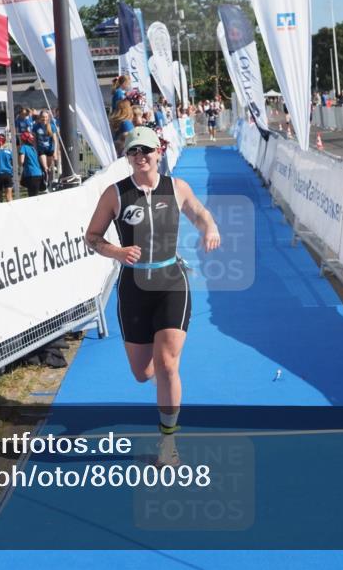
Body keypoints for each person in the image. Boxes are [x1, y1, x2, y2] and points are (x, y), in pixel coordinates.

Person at [85, 127, 221, 465]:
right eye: (134, 152)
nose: (140, 156)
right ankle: (161, 397)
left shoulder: (176, 188)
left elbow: (200, 213)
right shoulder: (114, 194)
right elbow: (92, 236)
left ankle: (168, 443)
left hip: (172, 281)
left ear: (159, 152)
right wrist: (115, 251)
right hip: (133, 288)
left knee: (167, 365)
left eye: (146, 150)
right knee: (142, 372)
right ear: (127, 157)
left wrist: (210, 228)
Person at [33, 109, 59, 189]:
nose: (44, 119)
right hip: (41, 150)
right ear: (40, 117)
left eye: (46, 117)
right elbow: (34, 140)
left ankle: (50, 183)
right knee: (45, 167)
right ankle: (45, 182)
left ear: (48, 117)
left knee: (50, 168)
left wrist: (55, 152)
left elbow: (55, 140)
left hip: (50, 150)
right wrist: (35, 150)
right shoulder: (36, 127)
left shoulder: (52, 126)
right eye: (43, 117)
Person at [18, 131, 43, 197]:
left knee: (32, 196)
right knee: (36, 195)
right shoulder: (33, 148)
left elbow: (21, 161)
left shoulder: (23, 147)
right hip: (38, 173)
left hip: (31, 174)